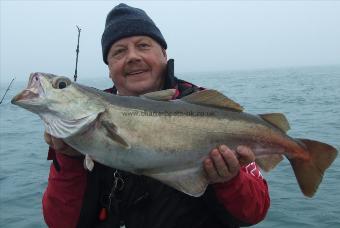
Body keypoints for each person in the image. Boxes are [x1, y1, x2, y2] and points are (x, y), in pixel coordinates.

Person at [43, 3, 270, 228]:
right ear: (109, 68)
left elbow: (255, 211)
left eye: (143, 46)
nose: (132, 57)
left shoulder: (205, 107)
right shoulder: (86, 119)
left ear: (163, 54)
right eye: (119, 52)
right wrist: (70, 158)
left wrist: (229, 181)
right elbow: (60, 223)